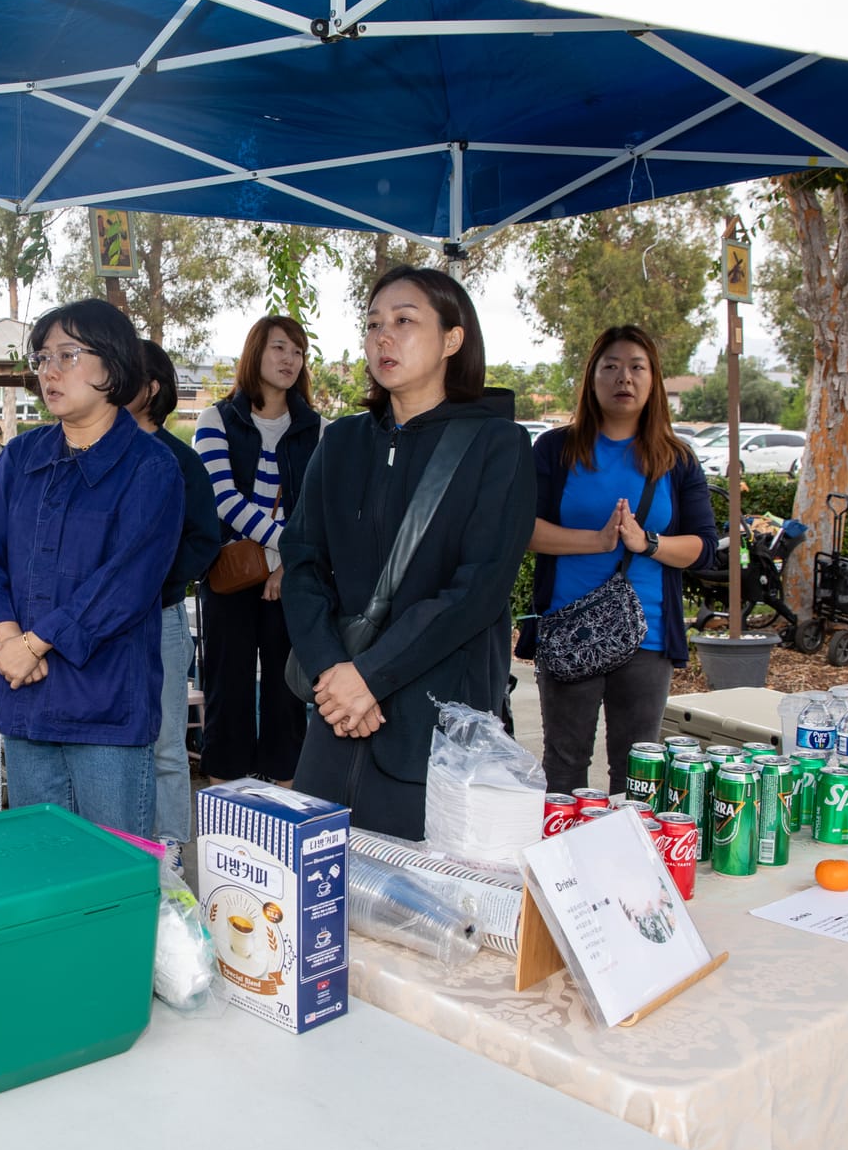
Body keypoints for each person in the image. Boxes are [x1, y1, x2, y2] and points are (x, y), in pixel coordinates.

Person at [282, 267, 534, 838]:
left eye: (403, 321)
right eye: (372, 324)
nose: (382, 337)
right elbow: (301, 563)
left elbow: (478, 588)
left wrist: (370, 676)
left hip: (437, 721)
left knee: (421, 906)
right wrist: (333, 674)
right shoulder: (341, 442)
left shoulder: (499, 445)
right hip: (335, 712)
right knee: (320, 887)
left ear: (452, 338)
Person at [0, 299, 183, 834]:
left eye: (68, 355)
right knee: (38, 869)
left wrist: (35, 644)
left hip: (105, 707)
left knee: (112, 875)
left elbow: (125, 583)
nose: (50, 371)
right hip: (26, 699)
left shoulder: (151, 467)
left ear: (112, 365)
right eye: (42, 358)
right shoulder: (20, 458)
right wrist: (9, 636)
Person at [521, 325, 717, 796]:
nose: (623, 378)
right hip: (569, 630)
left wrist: (646, 543)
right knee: (565, 766)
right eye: (610, 366)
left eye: (636, 367)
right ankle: (562, 867)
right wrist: (598, 540)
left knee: (637, 774)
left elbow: (704, 548)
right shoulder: (556, 449)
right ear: (591, 379)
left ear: (653, 382)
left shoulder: (677, 459)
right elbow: (522, 529)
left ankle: (626, 868)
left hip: (647, 635)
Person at [193, 314, 322, 783]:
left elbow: (316, 506)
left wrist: (288, 565)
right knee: (228, 687)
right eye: (279, 348)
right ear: (255, 353)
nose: (290, 359)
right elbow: (223, 498)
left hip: (290, 579)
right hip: (230, 574)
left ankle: (285, 795)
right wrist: (290, 546)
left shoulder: (316, 427)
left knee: (288, 691)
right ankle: (226, 799)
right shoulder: (217, 419)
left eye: (298, 350)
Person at [128, 341, 222, 844]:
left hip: (160, 620)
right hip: (96, 630)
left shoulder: (181, 460)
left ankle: (170, 857)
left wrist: (150, 587)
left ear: (152, 388)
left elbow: (204, 541)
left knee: (166, 747)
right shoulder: (89, 451)